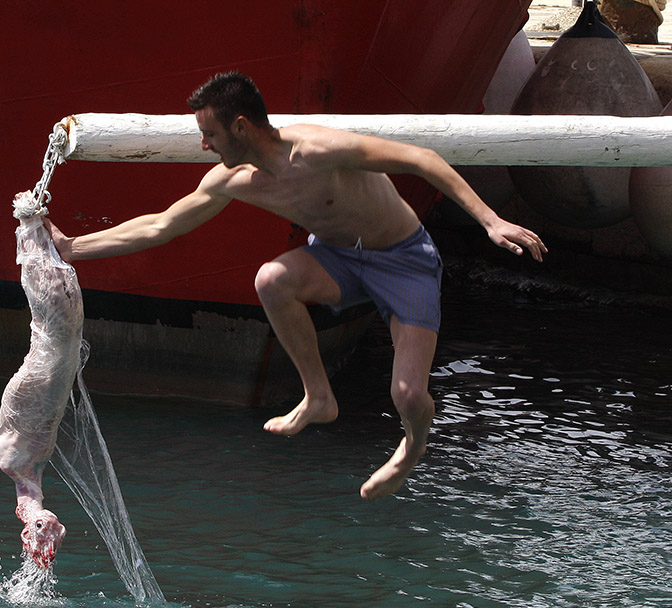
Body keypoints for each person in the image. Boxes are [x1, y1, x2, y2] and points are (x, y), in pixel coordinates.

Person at [48, 72, 547, 500]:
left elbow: (421, 157)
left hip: (403, 260)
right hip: (337, 259)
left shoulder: (318, 149)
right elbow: (159, 225)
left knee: (409, 395)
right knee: (272, 279)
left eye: (209, 134)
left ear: (240, 126)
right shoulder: (236, 179)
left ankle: (412, 444)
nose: (204, 145)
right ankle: (318, 397)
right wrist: (73, 248)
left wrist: (490, 220)